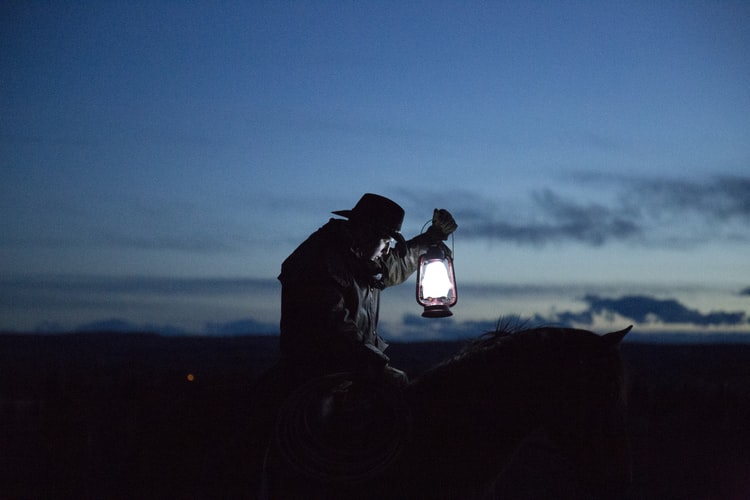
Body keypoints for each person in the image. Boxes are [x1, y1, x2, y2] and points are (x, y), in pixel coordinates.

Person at [277, 193, 457, 391]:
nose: (388, 251)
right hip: (317, 372)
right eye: (387, 242)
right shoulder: (320, 260)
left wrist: (430, 238)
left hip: (353, 366)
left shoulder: (360, 257)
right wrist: (374, 362)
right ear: (366, 232)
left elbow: (396, 263)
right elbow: (332, 325)